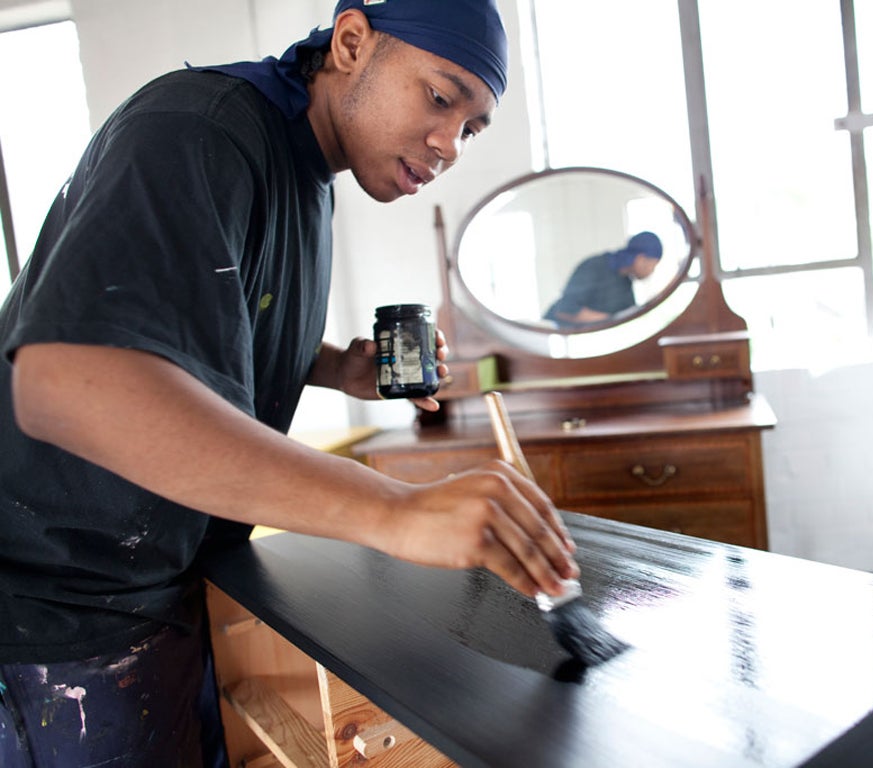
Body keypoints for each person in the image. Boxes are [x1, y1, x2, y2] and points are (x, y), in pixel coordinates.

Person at [0, 1, 579, 765]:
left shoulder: (305, 179)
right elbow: (68, 382)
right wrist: (393, 511)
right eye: (440, 97)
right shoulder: (197, 130)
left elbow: (203, 320)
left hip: (171, 587)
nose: (449, 145)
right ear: (350, 42)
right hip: (56, 612)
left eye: (472, 129)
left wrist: (339, 366)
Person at [543, 231, 664, 327]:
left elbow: (626, 317)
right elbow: (566, 310)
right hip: (555, 339)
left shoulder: (625, 280)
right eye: (653, 265)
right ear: (641, 259)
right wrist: (611, 320)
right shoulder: (594, 267)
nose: (652, 271)